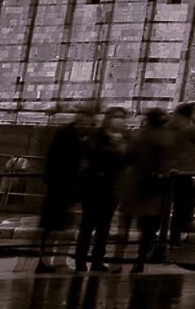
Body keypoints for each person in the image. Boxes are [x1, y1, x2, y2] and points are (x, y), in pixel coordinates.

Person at [35, 103, 98, 270]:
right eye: (85, 123)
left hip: (77, 187)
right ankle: (45, 261)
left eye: (91, 124)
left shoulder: (87, 138)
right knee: (53, 227)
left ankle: (60, 260)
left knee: (67, 226)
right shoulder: (65, 135)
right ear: (78, 120)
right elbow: (54, 160)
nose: (88, 126)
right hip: (60, 186)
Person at [119, 107, 176, 270]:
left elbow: (128, 157)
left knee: (130, 220)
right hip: (156, 185)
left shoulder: (140, 136)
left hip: (137, 182)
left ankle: (123, 253)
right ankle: (142, 255)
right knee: (150, 225)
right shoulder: (168, 136)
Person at [74, 106, 127, 271]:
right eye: (116, 117)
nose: (120, 121)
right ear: (109, 119)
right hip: (94, 186)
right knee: (87, 225)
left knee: (104, 226)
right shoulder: (97, 137)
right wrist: (117, 150)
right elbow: (93, 152)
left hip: (111, 187)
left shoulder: (124, 139)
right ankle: (80, 260)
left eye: (122, 118)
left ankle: (97, 260)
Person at [165, 102, 195, 246]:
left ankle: (162, 236)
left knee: (188, 192)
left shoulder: (167, 125)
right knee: (180, 205)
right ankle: (176, 235)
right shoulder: (187, 129)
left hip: (166, 170)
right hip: (182, 172)